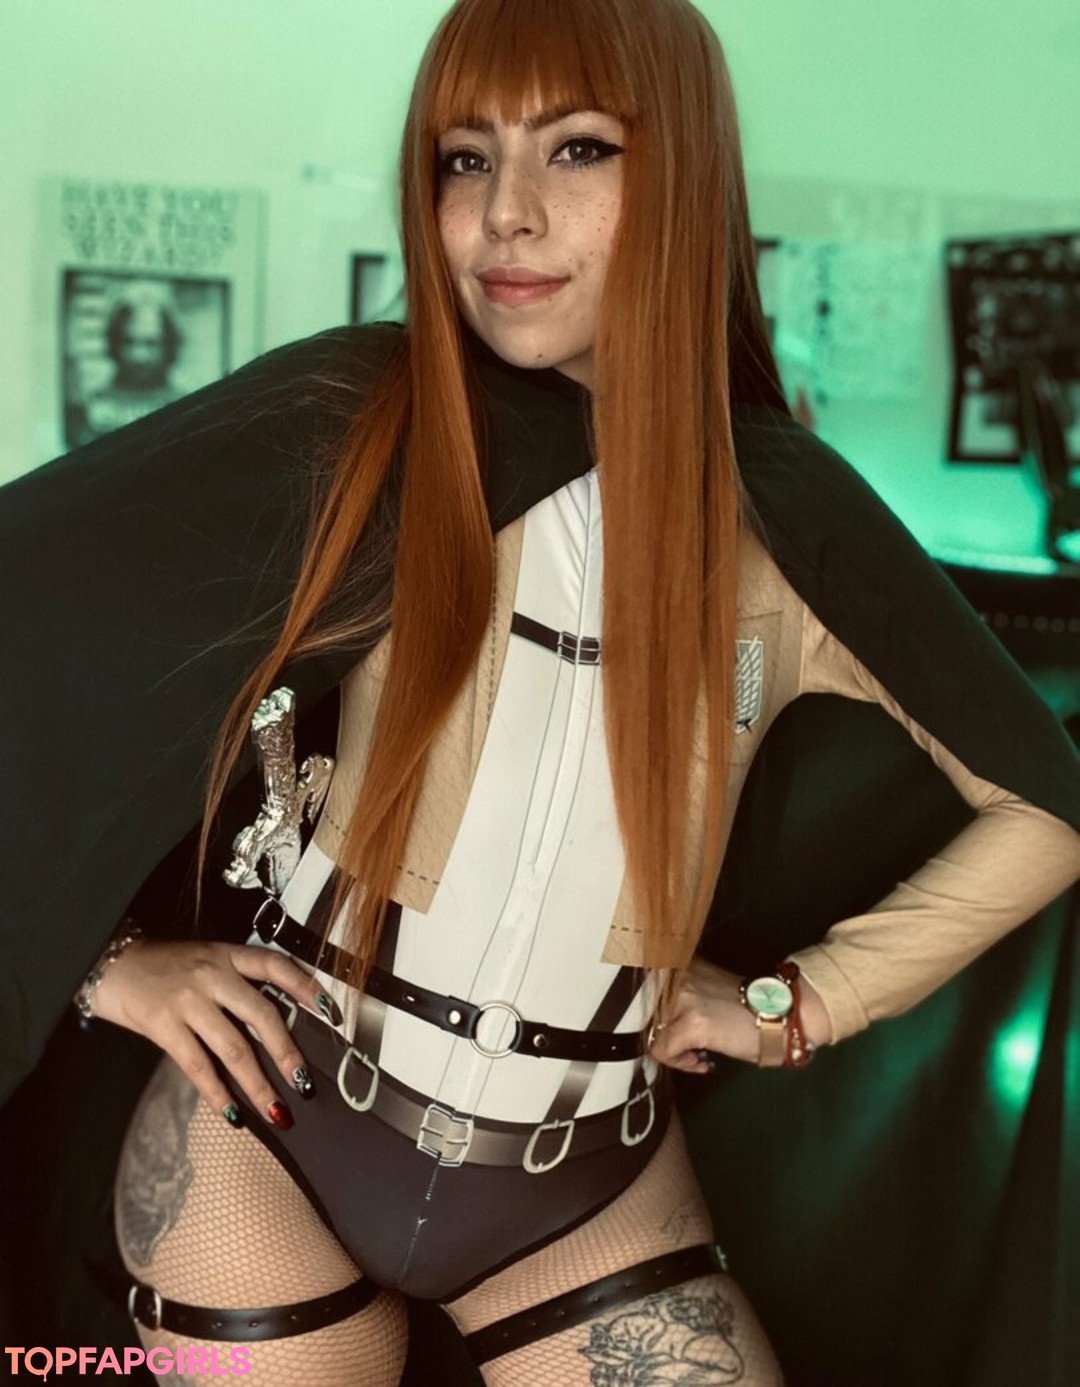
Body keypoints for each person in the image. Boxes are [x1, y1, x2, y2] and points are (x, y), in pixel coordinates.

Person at [2, 1, 1078, 1384]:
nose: (506, 212)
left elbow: (1044, 806)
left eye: (577, 150)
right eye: (465, 158)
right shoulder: (357, 421)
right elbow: (39, 633)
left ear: (683, 171)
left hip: (586, 1186)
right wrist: (110, 968)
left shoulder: (789, 514)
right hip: (272, 1125)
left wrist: (795, 1005)